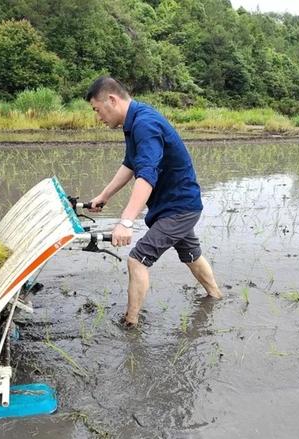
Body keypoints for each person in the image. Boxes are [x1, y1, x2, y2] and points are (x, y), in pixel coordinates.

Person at [85, 76, 222, 327]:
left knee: (137, 258)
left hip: (180, 207)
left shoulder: (145, 124)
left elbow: (147, 174)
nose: (98, 117)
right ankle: (216, 296)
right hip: (174, 204)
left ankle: (131, 323)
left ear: (112, 100)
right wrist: (104, 196)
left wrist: (126, 221)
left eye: (97, 110)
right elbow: (131, 164)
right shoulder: (134, 121)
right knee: (190, 253)